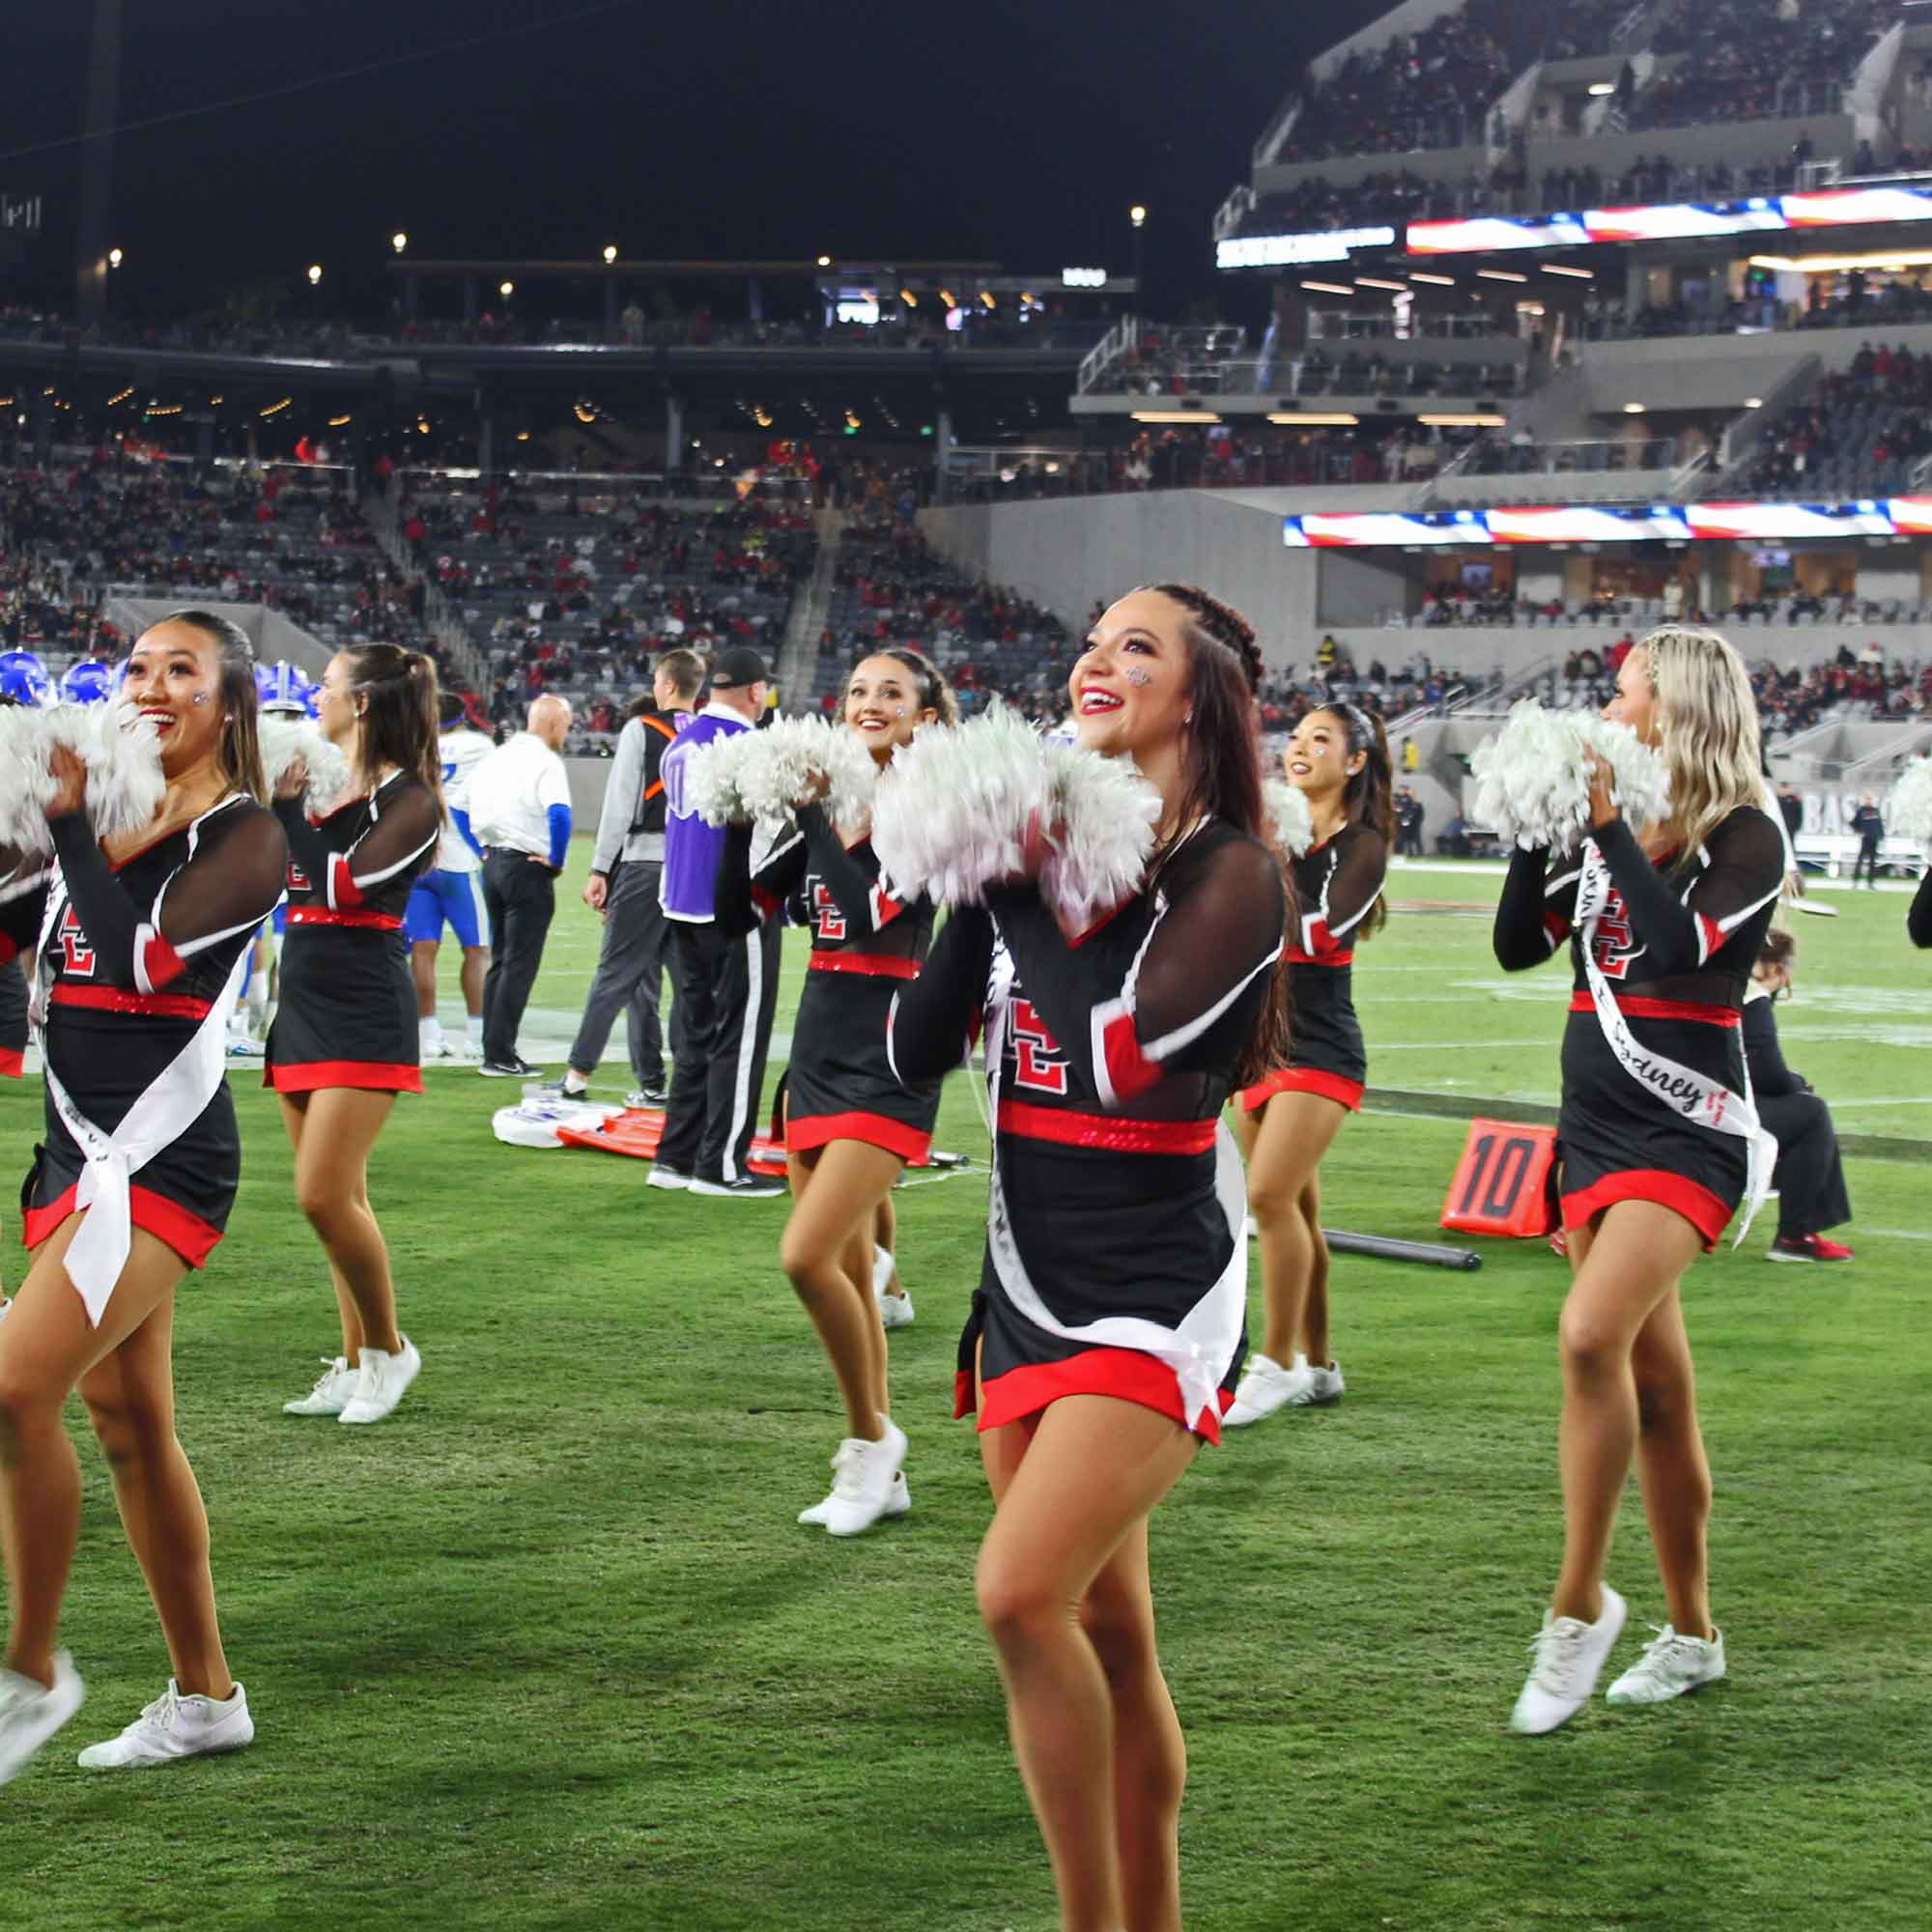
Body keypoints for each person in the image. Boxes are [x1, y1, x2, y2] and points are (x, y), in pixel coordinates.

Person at [888, 583, 1289, 1929]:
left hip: (1153, 1293)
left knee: (1015, 1595)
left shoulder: (1230, 872)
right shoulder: (1043, 860)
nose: (1097, 662)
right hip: (1022, 1290)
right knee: (1111, 1634)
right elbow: (907, 1055)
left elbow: (1121, 1061)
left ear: (1195, 698)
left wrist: (1014, 883)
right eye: (1092, 641)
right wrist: (968, 864)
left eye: (1138, 646)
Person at [0, 609, 285, 1783]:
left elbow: (142, 962)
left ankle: (28, 1673)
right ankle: (206, 1695)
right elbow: (36, 939)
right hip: (76, 1149)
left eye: (184, 669)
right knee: (128, 1426)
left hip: (160, 1160)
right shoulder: (106, 821)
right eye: (137, 666)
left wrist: (63, 822)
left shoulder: (249, 835)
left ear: (227, 705)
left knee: (14, 1390)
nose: (152, 684)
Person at [1492, 625, 1785, 1735]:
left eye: (1623, 694)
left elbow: (1667, 950)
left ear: (1677, 707)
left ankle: (1577, 1601)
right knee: (1657, 1397)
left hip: (1683, 1132)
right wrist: (1535, 824)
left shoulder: (1745, 836)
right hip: (1593, 1129)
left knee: (1584, 1336)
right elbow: (1519, 944)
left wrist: (1607, 823)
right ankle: (1693, 1633)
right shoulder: (1605, 823)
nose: (1606, 711)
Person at [715, 648, 957, 1535]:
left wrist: (810, 807)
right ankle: (877, 1464)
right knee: (848, 1266)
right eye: (857, 690)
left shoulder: (931, 807)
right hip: (815, 1052)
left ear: (926, 716)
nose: (869, 702)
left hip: (891, 1054)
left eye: (891, 691)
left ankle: (870, 1441)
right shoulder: (834, 806)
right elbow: (736, 908)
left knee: (806, 1256)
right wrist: (742, 806)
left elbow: (864, 914)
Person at [269, 644, 441, 1426]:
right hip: (300, 999)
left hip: (364, 1005)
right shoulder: (323, 783)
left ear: (364, 702)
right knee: (344, 1199)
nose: (316, 697)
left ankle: (389, 1348)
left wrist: (281, 813)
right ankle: (352, 1359)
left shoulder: (414, 801)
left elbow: (344, 882)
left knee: (322, 1195)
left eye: (328, 686)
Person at [1227, 702, 1391, 1426]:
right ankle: (1320, 1365)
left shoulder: (1364, 845)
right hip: (1260, 1042)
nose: (1299, 749)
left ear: (1354, 762)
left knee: (1266, 1198)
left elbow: (1321, 934)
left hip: (1321, 1043)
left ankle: (1280, 1360)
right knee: (1297, 1210)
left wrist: (1260, 864)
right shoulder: (1270, 830)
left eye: (1320, 740)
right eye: (1295, 738)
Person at [652, 647, 783, 1198]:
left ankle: (674, 1157)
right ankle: (723, 1163)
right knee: (740, 1036)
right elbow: (771, 833)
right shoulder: (751, 746)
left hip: (680, 901)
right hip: (734, 906)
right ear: (756, 692)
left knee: (695, 1035)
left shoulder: (680, 739)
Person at [547, 651, 703, 1105]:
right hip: (693, 873)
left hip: (644, 864)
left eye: (657, 681)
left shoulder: (642, 729)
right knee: (684, 983)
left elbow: (619, 804)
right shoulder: (714, 734)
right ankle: (669, 1084)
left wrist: (600, 868)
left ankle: (577, 1076)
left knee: (615, 976)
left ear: (668, 685)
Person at [469, 694, 574, 1078]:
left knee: (501, 960)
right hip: (526, 867)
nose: (567, 731)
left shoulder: (495, 756)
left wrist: (479, 848)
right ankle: (501, 1053)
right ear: (551, 723)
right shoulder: (545, 761)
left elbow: (462, 808)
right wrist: (558, 859)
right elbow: (560, 813)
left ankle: (491, 1049)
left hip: (493, 863)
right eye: (565, 724)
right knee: (519, 964)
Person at [1747, 930, 1853, 1263]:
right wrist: (1797, 1085)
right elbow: (1768, 1074)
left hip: (1659, 1101)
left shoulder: (1710, 982)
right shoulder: (1751, 997)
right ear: (1775, 967)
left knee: (1805, 1108)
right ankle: (1795, 1235)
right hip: (1707, 1114)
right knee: (1812, 1113)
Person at [406, 691, 495, 1063]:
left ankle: (429, 1034)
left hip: (419, 857)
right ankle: (477, 1036)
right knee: (478, 951)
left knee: (422, 952)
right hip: (459, 858)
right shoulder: (480, 745)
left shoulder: (412, 744)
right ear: (463, 717)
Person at [1850, 793, 1884, 888]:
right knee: (1860, 860)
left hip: (1874, 839)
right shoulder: (1861, 811)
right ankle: (1856, 881)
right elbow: (1853, 823)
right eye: (1867, 799)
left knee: (1872, 862)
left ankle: (1870, 882)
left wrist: (1881, 835)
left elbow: (1879, 824)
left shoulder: (1875, 811)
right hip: (1866, 839)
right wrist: (1859, 830)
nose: (1869, 801)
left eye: (1870, 799)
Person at [1395, 783, 1425, 858]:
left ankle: (1420, 854)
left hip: (1414, 825)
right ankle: (1408, 853)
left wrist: (1416, 822)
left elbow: (1419, 815)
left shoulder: (1416, 803)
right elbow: (1401, 810)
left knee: (1417, 839)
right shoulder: (1402, 800)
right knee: (1407, 840)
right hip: (1405, 824)